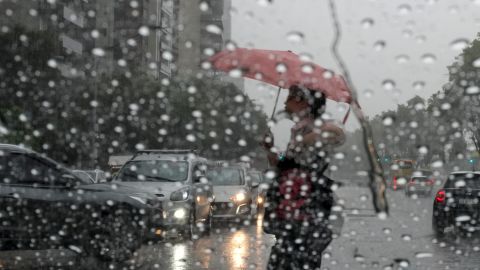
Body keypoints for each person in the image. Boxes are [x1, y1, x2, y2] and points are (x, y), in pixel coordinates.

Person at [262, 85, 345, 270]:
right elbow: (284, 168)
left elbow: (338, 134)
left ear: (302, 101)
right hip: (291, 214)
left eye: (289, 97)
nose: (284, 102)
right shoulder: (296, 130)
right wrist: (270, 149)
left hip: (311, 215)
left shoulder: (320, 123)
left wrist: (304, 140)